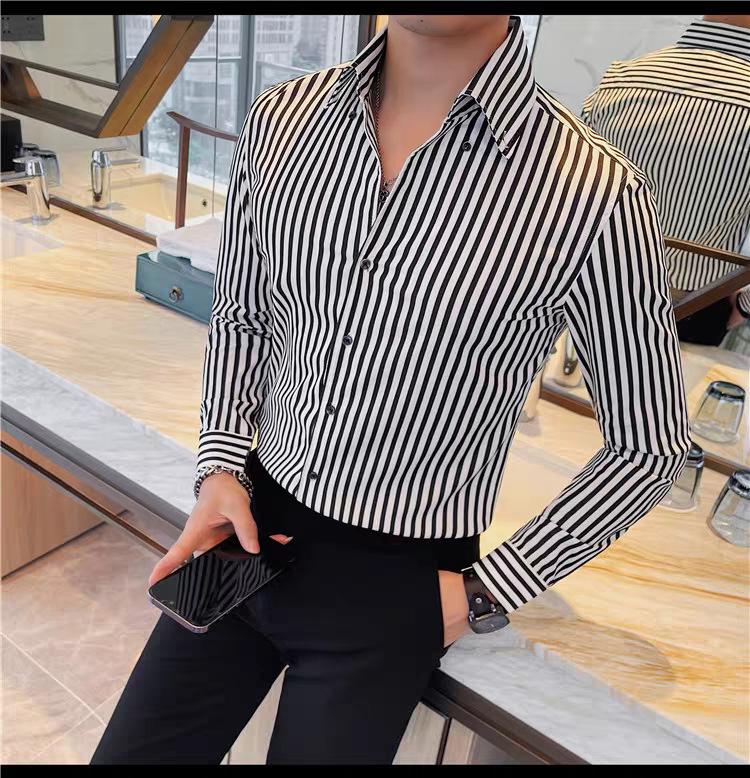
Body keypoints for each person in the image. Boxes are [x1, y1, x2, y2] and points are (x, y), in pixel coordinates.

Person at [91, 15, 691, 765]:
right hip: (248, 525)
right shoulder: (282, 120)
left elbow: (649, 445)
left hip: (399, 580)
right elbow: (244, 314)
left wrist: (485, 590)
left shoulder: (594, 195)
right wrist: (218, 466)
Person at [580, 15, 750, 346]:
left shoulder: (619, 81)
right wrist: (743, 306)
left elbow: (567, 202)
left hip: (593, 296)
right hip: (696, 308)